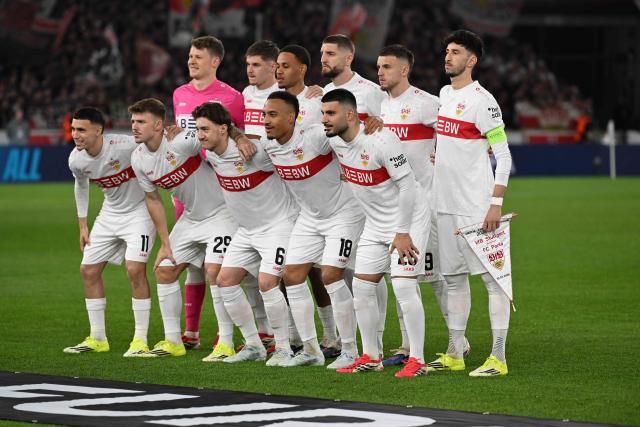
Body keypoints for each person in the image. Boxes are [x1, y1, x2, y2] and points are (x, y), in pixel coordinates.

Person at [322, 89, 431, 377]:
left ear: (350, 114)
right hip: (375, 223)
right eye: (323, 113)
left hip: (408, 218)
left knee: (404, 287)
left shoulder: (382, 140)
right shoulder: (335, 141)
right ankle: (370, 356)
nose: (324, 119)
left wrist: (403, 232)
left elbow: (407, 186)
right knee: (362, 287)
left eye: (330, 113)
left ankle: (417, 360)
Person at [376, 44, 471, 366]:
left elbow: (461, 134)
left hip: (425, 205)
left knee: (436, 278)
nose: (380, 72)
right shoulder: (379, 105)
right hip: (392, 206)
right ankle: (405, 346)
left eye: (387, 67)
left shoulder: (427, 104)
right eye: (378, 66)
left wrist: (445, 154)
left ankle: (458, 343)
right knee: (400, 275)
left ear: (404, 70)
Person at [428, 30, 513, 377]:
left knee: (494, 282)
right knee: (452, 279)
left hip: (476, 206)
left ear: (472, 60)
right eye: (446, 50)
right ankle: (455, 352)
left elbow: (504, 156)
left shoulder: (484, 101)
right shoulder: (445, 93)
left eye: (456, 52)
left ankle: (498, 358)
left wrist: (495, 203)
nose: (448, 57)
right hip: (444, 203)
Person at [129, 98, 240, 360]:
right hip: (191, 218)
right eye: (133, 121)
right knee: (165, 271)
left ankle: (225, 342)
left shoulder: (181, 141)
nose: (134, 126)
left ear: (159, 125)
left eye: (141, 122)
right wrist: (165, 243)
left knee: (214, 271)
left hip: (222, 213)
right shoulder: (138, 158)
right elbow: (153, 199)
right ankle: (172, 341)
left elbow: (217, 134)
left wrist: (240, 137)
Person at [261, 91, 365, 368]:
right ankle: (311, 350)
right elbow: (238, 146)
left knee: (330, 276)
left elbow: (349, 129)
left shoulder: (315, 138)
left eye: (273, 115)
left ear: (292, 117)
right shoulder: (267, 146)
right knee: (292, 276)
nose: (266, 121)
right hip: (309, 218)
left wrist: (371, 122)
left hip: (343, 214)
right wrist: (236, 136)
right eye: (264, 115)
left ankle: (349, 350)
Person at [192, 102, 299, 365]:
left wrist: (242, 137)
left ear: (222, 129)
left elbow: (285, 160)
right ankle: (253, 345)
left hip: (277, 226)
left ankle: (284, 347)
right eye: (198, 129)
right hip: (247, 230)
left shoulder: (254, 151)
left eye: (205, 129)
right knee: (223, 280)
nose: (200, 135)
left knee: (267, 283)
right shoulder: (210, 153)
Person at [172, 35, 246, 351]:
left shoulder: (232, 97)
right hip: (187, 191)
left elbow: (240, 134)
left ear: (215, 61)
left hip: (219, 191)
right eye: (190, 56)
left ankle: (224, 334)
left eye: (198, 57)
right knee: (193, 264)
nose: (191, 61)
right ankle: (191, 332)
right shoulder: (179, 94)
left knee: (218, 264)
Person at [64, 107, 154, 357]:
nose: (75, 134)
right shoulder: (76, 159)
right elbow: (80, 186)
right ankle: (98, 337)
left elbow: (155, 143)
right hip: (109, 215)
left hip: (139, 213)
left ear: (98, 130)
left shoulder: (124, 145)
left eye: (81, 129)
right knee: (88, 270)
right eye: (73, 129)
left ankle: (140, 340)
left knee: (135, 270)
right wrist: (83, 224)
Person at [320, 34, 388, 357]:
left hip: (369, 195)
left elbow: (390, 133)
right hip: (340, 194)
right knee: (350, 269)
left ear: (348, 59)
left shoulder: (370, 93)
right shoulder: (322, 95)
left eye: (330, 53)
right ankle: (363, 342)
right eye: (322, 53)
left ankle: (379, 336)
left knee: (368, 269)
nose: (324, 58)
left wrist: (380, 121)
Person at [275, 44, 343, 358]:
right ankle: (299, 340)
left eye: (285, 65)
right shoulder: (268, 104)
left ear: (302, 69)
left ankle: (341, 339)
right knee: (288, 273)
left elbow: (341, 134)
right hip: (289, 203)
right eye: (276, 65)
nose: (278, 71)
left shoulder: (318, 101)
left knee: (330, 274)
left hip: (329, 201)